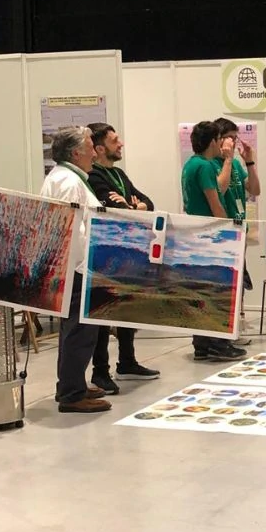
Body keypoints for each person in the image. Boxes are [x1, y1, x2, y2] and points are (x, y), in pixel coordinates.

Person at [85, 122, 161, 393]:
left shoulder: (118, 173)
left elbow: (147, 202)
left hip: (128, 249)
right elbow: (112, 205)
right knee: (104, 313)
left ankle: (127, 361)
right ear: (100, 147)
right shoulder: (94, 176)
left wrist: (133, 205)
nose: (122, 144)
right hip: (106, 252)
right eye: (115, 140)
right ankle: (100, 371)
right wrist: (131, 206)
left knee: (128, 304)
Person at [39, 126, 110, 413]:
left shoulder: (66, 178)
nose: (95, 152)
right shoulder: (69, 182)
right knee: (79, 331)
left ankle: (73, 383)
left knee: (76, 330)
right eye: (91, 146)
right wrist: (89, 264)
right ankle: (71, 393)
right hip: (77, 266)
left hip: (73, 265)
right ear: (76, 152)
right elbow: (72, 229)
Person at [181, 121, 246, 362]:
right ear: (213, 142)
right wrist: (228, 229)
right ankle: (219, 344)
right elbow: (215, 202)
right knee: (218, 291)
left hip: (195, 233)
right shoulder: (206, 166)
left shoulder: (190, 164)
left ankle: (202, 344)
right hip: (210, 233)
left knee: (202, 290)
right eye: (220, 140)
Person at [212, 118, 260, 347]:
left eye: (235, 136)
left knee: (239, 281)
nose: (234, 140)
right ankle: (223, 331)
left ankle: (235, 327)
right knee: (224, 283)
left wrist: (249, 162)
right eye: (230, 136)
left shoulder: (237, 166)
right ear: (219, 139)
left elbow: (254, 189)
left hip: (241, 228)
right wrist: (228, 159)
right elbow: (220, 188)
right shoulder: (212, 164)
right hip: (223, 231)